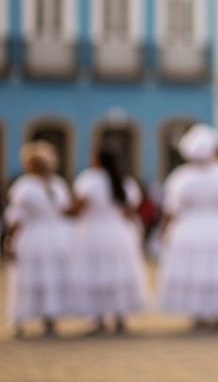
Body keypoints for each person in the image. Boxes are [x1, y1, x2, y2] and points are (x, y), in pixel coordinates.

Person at [158, 124, 218, 330]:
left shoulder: (181, 177)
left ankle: (198, 315)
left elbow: (171, 210)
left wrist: (164, 231)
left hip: (189, 229)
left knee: (194, 270)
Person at [68, 143, 149, 334]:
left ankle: (98, 318)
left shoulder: (89, 180)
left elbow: (79, 208)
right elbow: (130, 211)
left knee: (96, 271)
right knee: (117, 272)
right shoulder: (125, 181)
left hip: (94, 231)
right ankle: (120, 318)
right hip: (118, 232)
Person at [3, 141, 73, 337]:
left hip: (32, 237)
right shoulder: (58, 185)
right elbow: (65, 210)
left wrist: (10, 240)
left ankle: (19, 319)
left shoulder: (24, 186)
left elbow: (17, 218)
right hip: (55, 236)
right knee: (50, 277)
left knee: (25, 277)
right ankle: (49, 319)